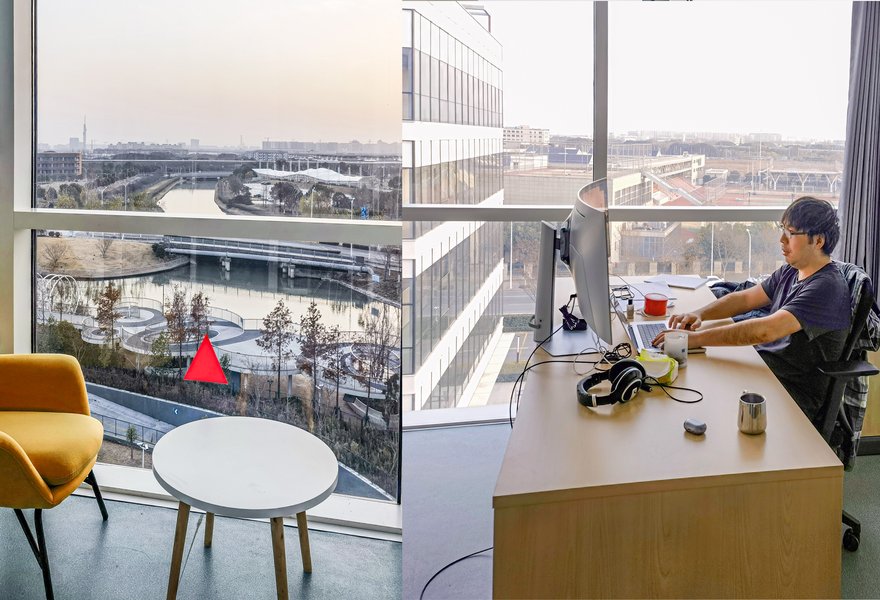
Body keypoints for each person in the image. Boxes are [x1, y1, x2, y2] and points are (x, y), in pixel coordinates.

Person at [652, 196, 851, 424]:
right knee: (690, 378)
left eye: (791, 233)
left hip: (789, 393)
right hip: (765, 371)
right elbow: (746, 298)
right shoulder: (792, 271)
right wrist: (700, 314)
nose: (782, 239)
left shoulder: (827, 287)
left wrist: (696, 339)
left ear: (818, 241)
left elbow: (765, 331)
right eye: (782, 230)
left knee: (695, 388)